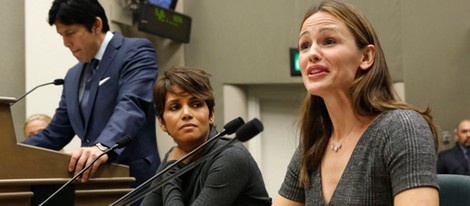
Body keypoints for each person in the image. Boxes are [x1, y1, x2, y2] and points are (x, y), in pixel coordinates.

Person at [272, 1, 439, 205]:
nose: (312, 53)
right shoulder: (313, 144)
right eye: (305, 45)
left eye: (329, 41)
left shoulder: (402, 128)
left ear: (366, 57)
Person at [22, 0, 160, 188]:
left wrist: (102, 146)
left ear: (96, 25)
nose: (65, 43)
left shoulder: (135, 51)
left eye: (70, 33)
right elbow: (56, 133)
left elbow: (131, 105)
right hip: (92, 185)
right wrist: (11, 151)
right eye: (61, 35)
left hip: (135, 181)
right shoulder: (72, 76)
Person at [141, 66, 272, 205]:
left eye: (196, 104)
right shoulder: (174, 156)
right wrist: (171, 168)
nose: (186, 113)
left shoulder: (231, 156)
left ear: (211, 114)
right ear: (162, 122)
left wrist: (171, 172)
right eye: (175, 107)